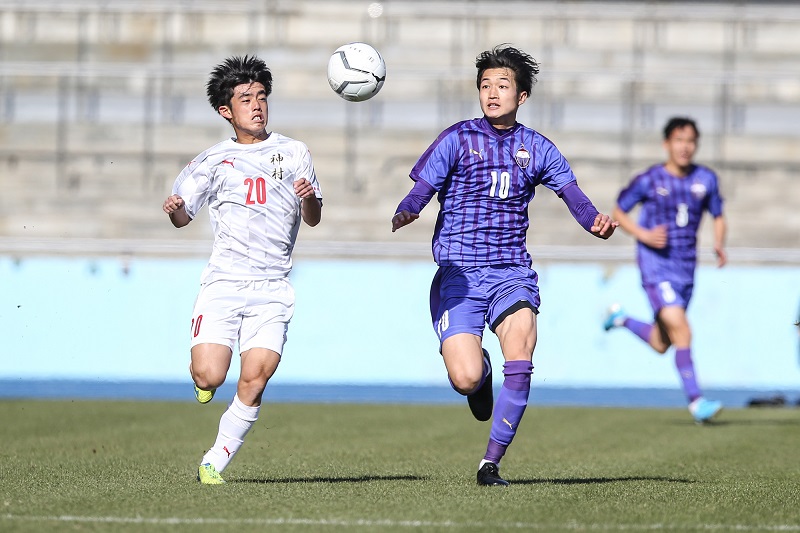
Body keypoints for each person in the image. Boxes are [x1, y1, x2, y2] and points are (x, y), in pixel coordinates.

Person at [391, 44, 618, 487]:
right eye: (485, 85)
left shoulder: (537, 148)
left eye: (502, 85)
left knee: (522, 352)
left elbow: (573, 196)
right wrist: (409, 208)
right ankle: (482, 376)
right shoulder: (457, 138)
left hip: (510, 272)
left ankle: (490, 463)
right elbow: (422, 188)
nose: (492, 92)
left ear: (522, 95)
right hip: (458, 274)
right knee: (465, 377)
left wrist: (594, 221)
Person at [162, 55, 323, 484]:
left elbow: (313, 217)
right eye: (246, 98)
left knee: (256, 376)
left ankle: (215, 459)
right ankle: (204, 380)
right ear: (226, 111)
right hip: (224, 283)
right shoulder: (213, 161)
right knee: (210, 374)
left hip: (272, 287)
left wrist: (308, 196)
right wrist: (176, 210)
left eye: (262, 96)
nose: (257, 105)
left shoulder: (294, 153)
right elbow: (183, 218)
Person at [603, 117, 726, 424]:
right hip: (656, 267)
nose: (685, 147)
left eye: (690, 141)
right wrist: (643, 235)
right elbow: (619, 210)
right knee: (683, 329)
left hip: (686, 268)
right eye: (679, 140)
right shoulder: (650, 179)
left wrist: (720, 244)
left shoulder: (706, 180)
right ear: (667, 144)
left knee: (662, 342)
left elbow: (719, 215)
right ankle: (697, 401)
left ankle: (621, 319)